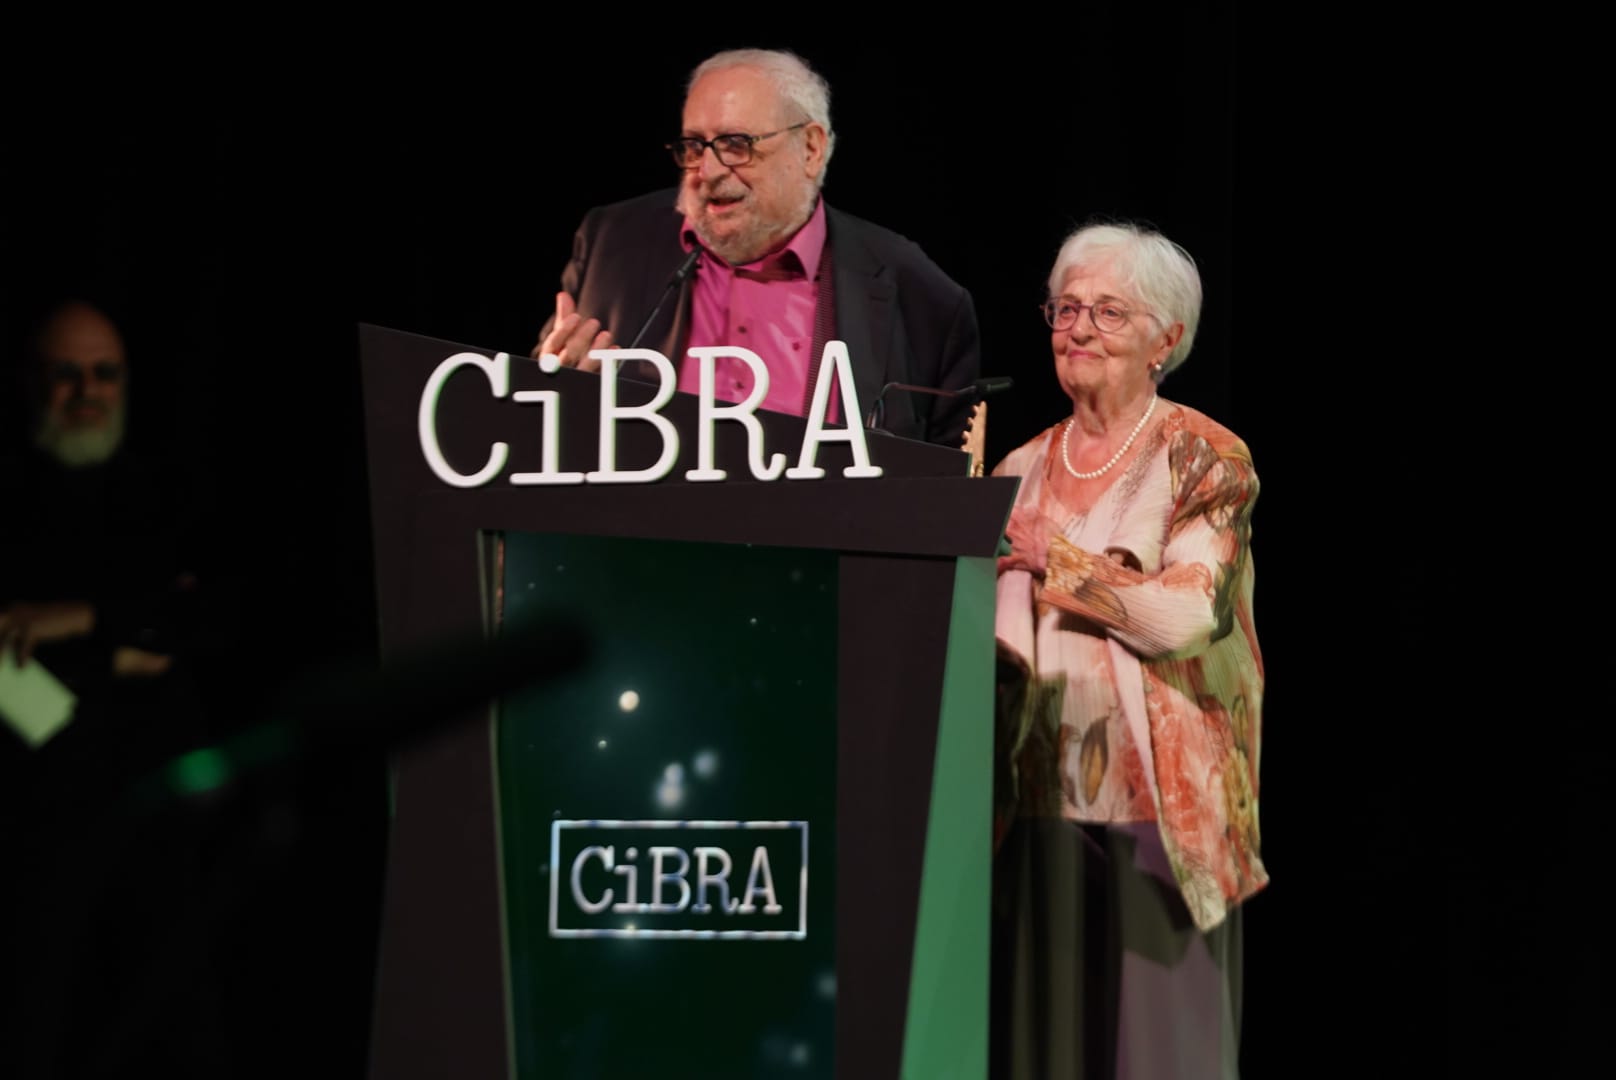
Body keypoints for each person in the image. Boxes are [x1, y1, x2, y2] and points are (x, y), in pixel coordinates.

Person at [990, 223, 1264, 1078]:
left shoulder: (1205, 456)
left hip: (1162, 824)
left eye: (1109, 312)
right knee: (1045, 1051)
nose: (1078, 329)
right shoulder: (1017, 467)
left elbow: (1185, 618)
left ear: (1166, 339)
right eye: (1067, 308)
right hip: (1035, 811)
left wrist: (1054, 561)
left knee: (1162, 1058)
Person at [532, 47, 981, 447]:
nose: (706, 170)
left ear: (810, 149)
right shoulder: (613, 241)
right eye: (693, 145)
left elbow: (944, 492)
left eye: (734, 144)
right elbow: (544, 393)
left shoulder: (921, 294)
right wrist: (554, 384)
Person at [0, 298, 227, 1077]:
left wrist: (72, 622)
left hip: (161, 821)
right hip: (34, 832)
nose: (86, 391)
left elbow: (190, 626)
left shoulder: (160, 491)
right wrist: (116, 652)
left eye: (103, 373)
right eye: (65, 375)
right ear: (32, 383)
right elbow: (10, 685)